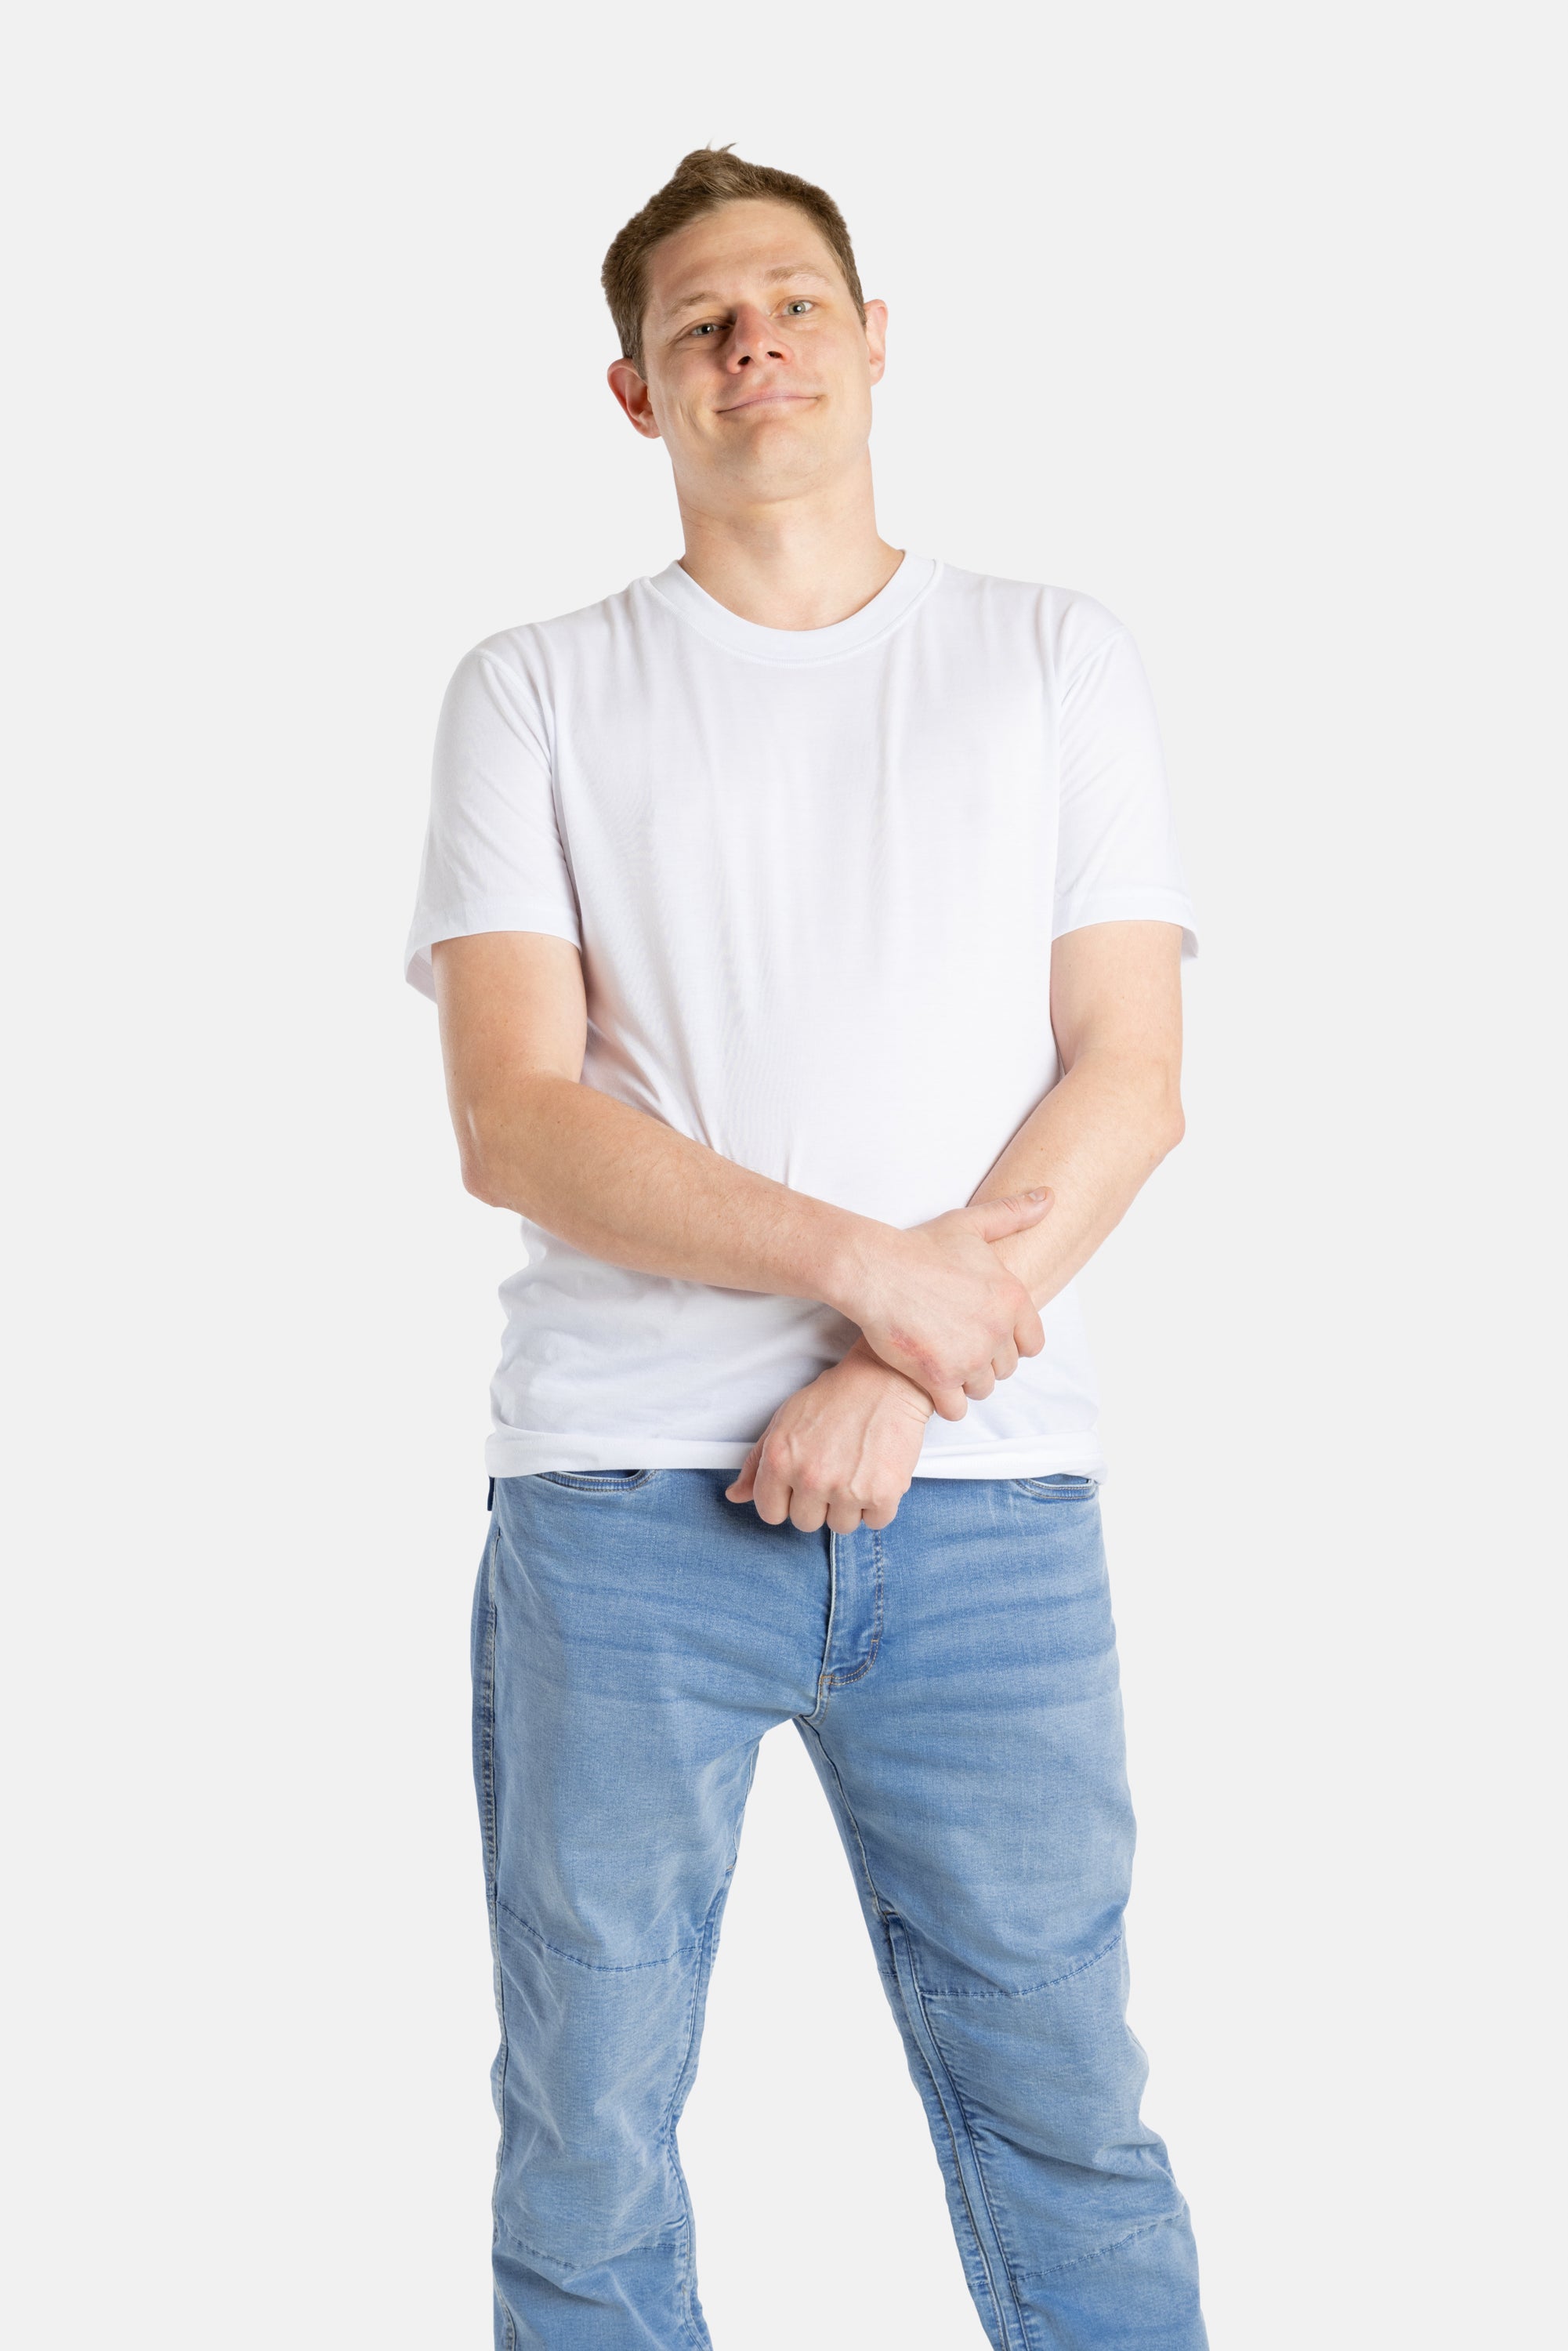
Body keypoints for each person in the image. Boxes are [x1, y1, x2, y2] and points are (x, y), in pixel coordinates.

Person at [405, 143, 1208, 2351]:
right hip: (620, 1498)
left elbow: (1124, 1073)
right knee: (591, 2125)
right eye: (696, 323)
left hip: (988, 1500)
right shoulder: (535, 690)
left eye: (789, 299)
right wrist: (875, 1273)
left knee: (1065, 2114)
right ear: (634, 393)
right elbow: (516, 1121)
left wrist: (899, 1367)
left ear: (870, 343)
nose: (749, 338)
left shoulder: (1051, 657)